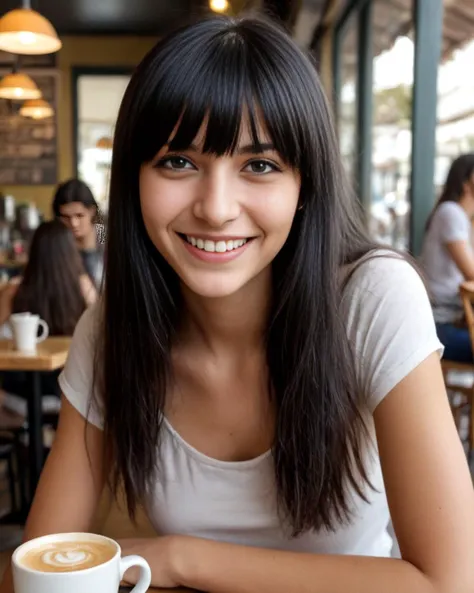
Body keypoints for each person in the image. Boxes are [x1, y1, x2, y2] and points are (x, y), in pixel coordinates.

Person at [2, 16, 473, 593]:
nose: (217, 208)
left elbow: (449, 580)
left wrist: (180, 557)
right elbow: (39, 563)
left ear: (306, 188)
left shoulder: (371, 300)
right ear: (133, 180)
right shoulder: (114, 329)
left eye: (260, 165)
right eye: (178, 161)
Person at [0, 220, 96, 412]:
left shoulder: (14, 290)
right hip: (69, 390)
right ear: (70, 252)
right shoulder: (84, 288)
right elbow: (102, 334)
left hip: (17, 392)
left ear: (34, 252)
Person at [421, 154, 474, 362]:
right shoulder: (450, 213)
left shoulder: (462, 218)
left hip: (450, 322)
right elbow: (471, 273)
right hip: (440, 328)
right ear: (467, 182)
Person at [52, 178, 104, 289]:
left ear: (92, 211)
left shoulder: (103, 235)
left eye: (79, 215)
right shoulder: (56, 244)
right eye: (66, 217)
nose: (74, 223)